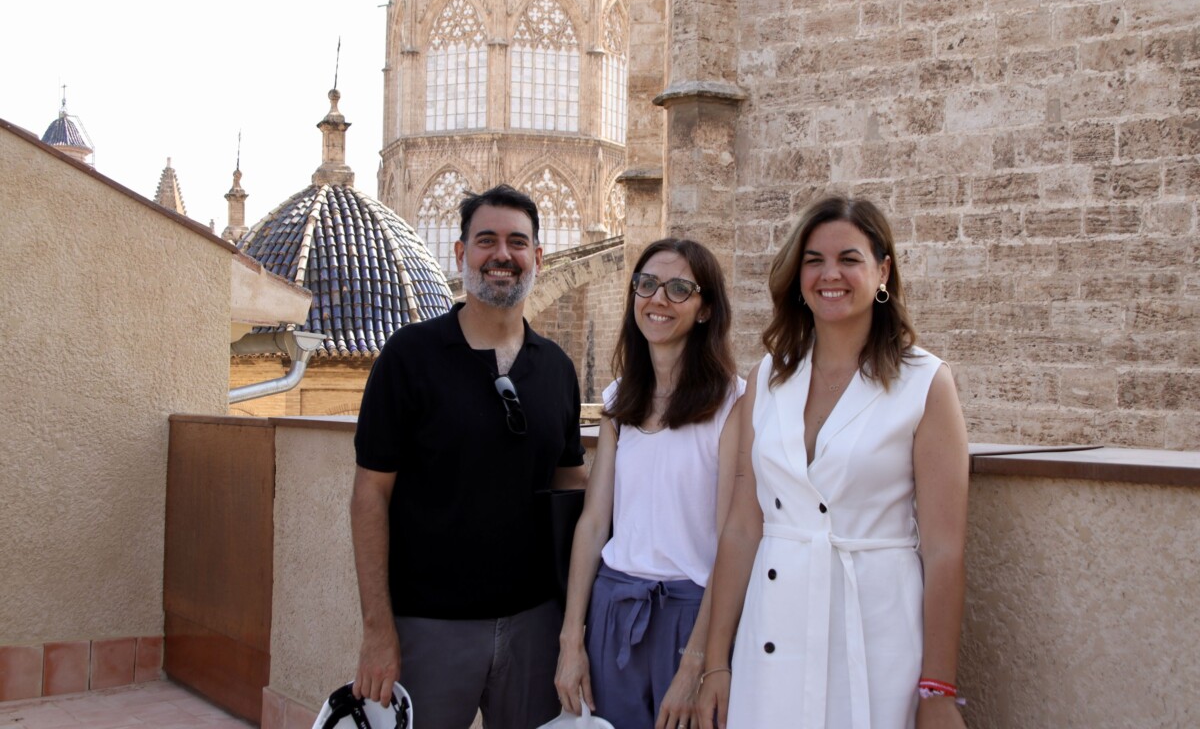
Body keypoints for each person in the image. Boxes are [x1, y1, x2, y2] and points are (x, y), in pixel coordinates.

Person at [697, 197, 970, 729]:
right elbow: (743, 527)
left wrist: (938, 689)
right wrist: (715, 665)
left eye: (849, 258)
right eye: (814, 260)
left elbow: (944, 548)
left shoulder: (926, 382)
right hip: (771, 630)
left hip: (875, 629)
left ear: (882, 270)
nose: (830, 275)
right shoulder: (769, 378)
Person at [351, 184, 587, 729]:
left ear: (537, 257)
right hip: (429, 629)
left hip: (535, 627)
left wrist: (576, 622)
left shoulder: (556, 369)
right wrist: (378, 630)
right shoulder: (409, 358)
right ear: (461, 253)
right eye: (486, 240)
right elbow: (370, 496)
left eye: (517, 242)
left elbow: (571, 483)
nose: (502, 255)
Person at [555, 238, 745, 729]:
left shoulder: (733, 404)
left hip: (691, 613)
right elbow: (595, 523)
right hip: (613, 611)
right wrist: (571, 640)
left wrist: (696, 662)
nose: (659, 299)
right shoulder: (621, 399)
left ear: (705, 310)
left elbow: (732, 538)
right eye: (647, 284)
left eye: (680, 289)